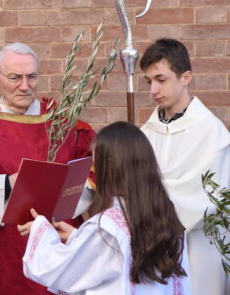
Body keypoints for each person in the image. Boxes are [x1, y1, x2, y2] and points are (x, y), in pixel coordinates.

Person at [0, 42, 95, 295]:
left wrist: (62, 197)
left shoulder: (67, 125)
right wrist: (7, 184)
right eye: (15, 77)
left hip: (58, 241)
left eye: (31, 77)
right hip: (0, 250)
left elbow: (93, 171)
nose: (25, 86)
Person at [19, 121, 191, 294]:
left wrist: (41, 229)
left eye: (95, 165)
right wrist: (78, 236)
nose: (94, 171)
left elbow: (60, 271)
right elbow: (116, 258)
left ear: (110, 166)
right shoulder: (165, 213)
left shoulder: (109, 228)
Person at [139, 38, 230, 295]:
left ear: (186, 77)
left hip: (198, 247)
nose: (153, 89)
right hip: (154, 248)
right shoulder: (147, 132)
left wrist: (151, 205)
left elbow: (209, 198)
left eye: (161, 79)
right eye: (149, 81)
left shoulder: (211, 133)